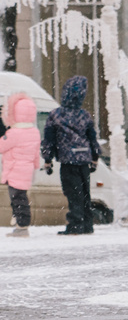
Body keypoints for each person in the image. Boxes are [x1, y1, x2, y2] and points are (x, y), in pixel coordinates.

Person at [41, 75, 102, 235]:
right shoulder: (85, 115)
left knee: (73, 193)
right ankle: (87, 224)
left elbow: (49, 140)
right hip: (84, 160)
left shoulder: (56, 115)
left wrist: (48, 160)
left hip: (68, 161)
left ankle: (75, 225)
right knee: (85, 193)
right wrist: (95, 158)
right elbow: (92, 138)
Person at [0, 92, 42, 237]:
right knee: (22, 197)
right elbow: (36, 154)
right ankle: (21, 223)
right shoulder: (34, 132)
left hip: (14, 170)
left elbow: (1, 146)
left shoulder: (14, 133)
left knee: (17, 198)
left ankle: (22, 225)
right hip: (26, 169)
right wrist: (35, 165)